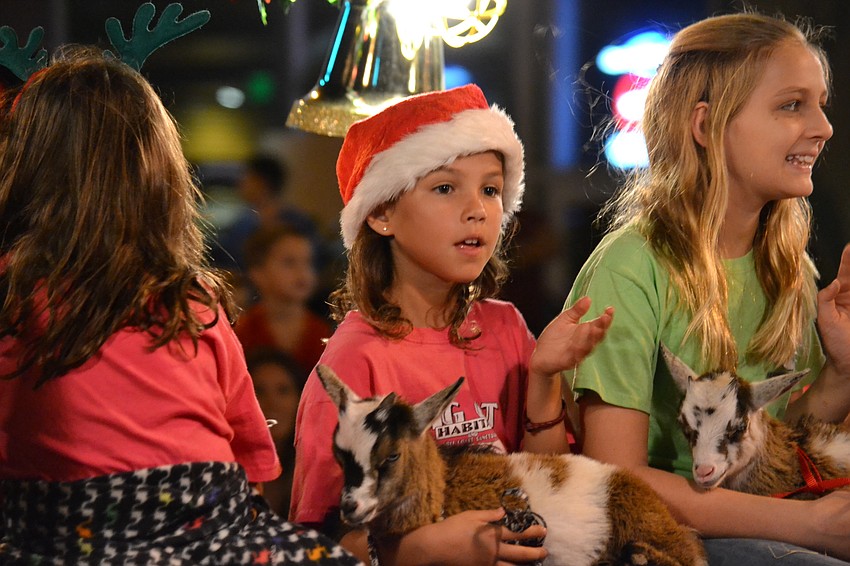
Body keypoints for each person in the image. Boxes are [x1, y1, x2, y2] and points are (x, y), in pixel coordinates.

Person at [0, 46, 359, 565]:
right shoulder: (192, 299)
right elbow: (250, 465)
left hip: (65, 534)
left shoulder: (13, 295)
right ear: (158, 176)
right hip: (208, 520)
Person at [563, 12, 850, 564]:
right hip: (661, 539)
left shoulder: (793, 269)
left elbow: (771, 454)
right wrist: (812, 523)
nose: (823, 127)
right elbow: (617, 479)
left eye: (820, 104)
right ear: (706, 125)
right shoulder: (630, 268)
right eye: (792, 104)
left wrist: (840, 371)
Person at [291, 84, 614, 565]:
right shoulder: (354, 361)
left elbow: (548, 481)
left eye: (490, 189)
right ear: (381, 212)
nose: (478, 209)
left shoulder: (505, 327)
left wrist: (544, 378)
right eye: (445, 187)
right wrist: (427, 548)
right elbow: (321, 543)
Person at [236, 224, 332, 373]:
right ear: (258, 273)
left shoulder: (322, 332)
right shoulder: (244, 332)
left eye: (308, 262)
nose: (302, 272)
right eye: (289, 262)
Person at [247, 348, 308, 517]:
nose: (272, 403)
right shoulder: (229, 470)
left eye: (283, 391)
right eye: (259, 391)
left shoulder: (317, 470)